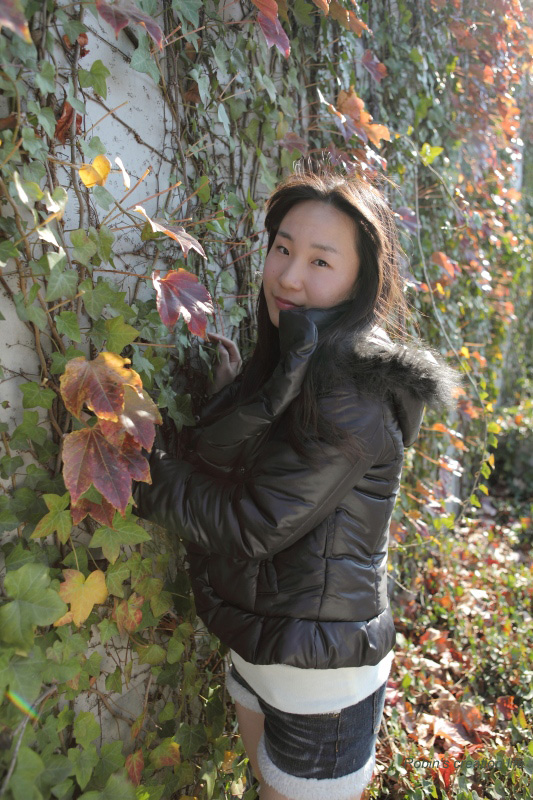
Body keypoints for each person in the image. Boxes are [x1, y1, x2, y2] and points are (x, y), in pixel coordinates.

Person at [132, 156, 460, 800]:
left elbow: (253, 522)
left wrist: (137, 472)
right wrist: (236, 396)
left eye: (319, 261)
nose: (287, 276)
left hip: (320, 681)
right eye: (282, 249)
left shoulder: (351, 392)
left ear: (361, 282)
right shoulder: (295, 355)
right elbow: (255, 467)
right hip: (264, 645)